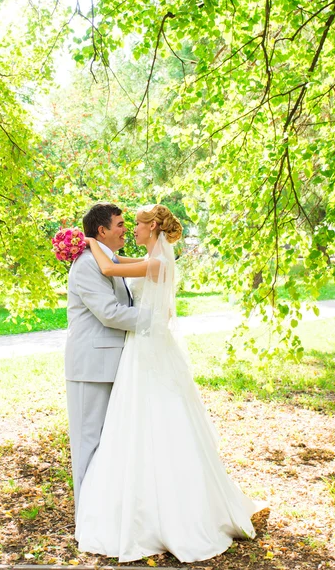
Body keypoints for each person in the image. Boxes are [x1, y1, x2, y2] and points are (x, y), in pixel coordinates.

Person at [75, 204, 267, 563]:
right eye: (124, 224)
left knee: (157, 417)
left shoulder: (158, 263)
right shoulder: (150, 257)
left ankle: (174, 514)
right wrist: (92, 244)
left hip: (147, 345)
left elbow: (108, 266)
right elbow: (118, 260)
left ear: (152, 228)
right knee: (135, 420)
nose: (131, 229)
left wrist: (86, 241)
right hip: (141, 345)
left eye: (136, 224)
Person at [65, 203, 148, 516]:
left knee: (108, 442)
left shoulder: (107, 258)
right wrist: (154, 318)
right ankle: (86, 517)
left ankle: (104, 514)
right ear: (101, 231)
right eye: (119, 224)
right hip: (90, 367)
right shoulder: (87, 263)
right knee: (88, 442)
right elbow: (110, 313)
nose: (125, 229)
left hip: (112, 365)